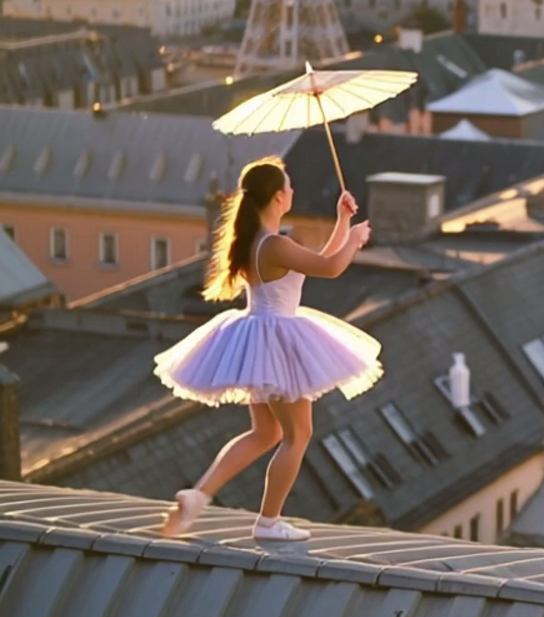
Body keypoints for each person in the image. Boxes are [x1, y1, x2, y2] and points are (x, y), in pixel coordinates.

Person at [153, 157, 381, 541]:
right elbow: (330, 268)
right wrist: (356, 240)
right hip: (279, 339)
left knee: (265, 433)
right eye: (288, 187)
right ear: (278, 197)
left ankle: (198, 495)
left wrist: (342, 221)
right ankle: (269, 522)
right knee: (298, 434)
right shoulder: (275, 244)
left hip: (260, 334)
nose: (293, 191)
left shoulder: (257, 242)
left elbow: (316, 262)